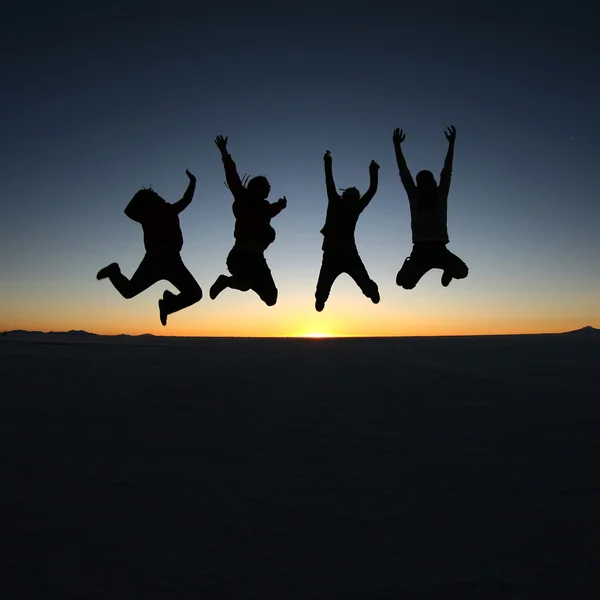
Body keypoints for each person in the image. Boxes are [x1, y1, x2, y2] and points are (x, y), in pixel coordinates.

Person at [96, 169, 202, 326]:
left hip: (172, 261)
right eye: (155, 198)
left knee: (195, 294)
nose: (159, 198)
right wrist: (142, 196)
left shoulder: (169, 210)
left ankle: (167, 305)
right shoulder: (148, 215)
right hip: (154, 261)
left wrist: (193, 183)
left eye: (158, 197)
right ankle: (114, 272)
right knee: (129, 291)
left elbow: (186, 199)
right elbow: (128, 211)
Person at [209, 135, 287, 306]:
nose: (268, 190)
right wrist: (224, 151)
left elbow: (271, 210)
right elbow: (232, 175)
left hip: (257, 259)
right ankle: (228, 281)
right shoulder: (243, 198)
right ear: (256, 187)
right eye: (265, 187)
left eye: (269, 188)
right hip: (240, 256)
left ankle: (248, 281)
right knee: (244, 284)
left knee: (271, 298)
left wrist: (281, 205)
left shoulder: (265, 207)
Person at [393, 125, 469, 289]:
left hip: (440, 249)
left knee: (463, 272)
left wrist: (451, 145)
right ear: (419, 184)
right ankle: (408, 267)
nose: (428, 183)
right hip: (420, 251)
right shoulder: (415, 196)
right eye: (423, 180)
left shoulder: (440, 195)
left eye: (430, 180)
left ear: (434, 182)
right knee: (405, 284)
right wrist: (397, 146)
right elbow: (404, 172)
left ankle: (448, 269)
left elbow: (447, 171)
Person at [315, 150, 380, 312]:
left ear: (356, 199)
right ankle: (321, 299)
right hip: (331, 254)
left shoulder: (356, 208)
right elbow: (329, 181)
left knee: (363, 281)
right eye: (351, 193)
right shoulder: (335, 201)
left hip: (349, 254)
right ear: (345, 195)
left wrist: (373, 173)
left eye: (356, 194)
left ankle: (372, 291)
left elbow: (372, 190)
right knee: (324, 283)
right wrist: (327, 163)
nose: (354, 195)